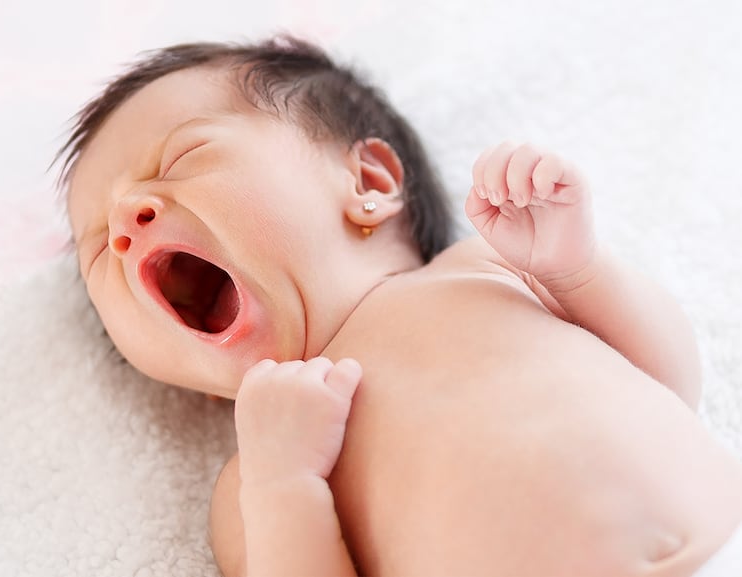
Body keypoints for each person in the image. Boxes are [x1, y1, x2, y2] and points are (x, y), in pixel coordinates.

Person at [59, 35, 742, 576]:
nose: (126, 220)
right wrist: (285, 485)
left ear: (368, 181)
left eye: (181, 157)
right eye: (99, 249)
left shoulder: (485, 270)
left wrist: (579, 268)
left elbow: (671, 382)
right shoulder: (254, 481)